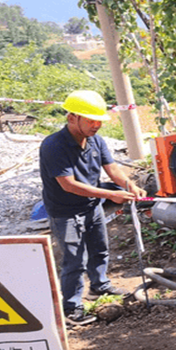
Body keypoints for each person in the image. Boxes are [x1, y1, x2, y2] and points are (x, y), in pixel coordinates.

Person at [40, 90, 145, 326]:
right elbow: (69, 185)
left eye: (99, 120)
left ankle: (99, 285)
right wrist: (111, 194)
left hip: (92, 207)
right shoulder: (53, 146)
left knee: (99, 249)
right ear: (71, 118)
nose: (96, 125)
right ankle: (72, 307)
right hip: (65, 212)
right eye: (90, 120)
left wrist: (131, 185)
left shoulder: (96, 140)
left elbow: (113, 170)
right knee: (74, 261)